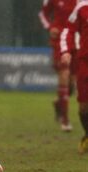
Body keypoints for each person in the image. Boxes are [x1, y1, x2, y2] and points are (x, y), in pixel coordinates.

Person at [38, 0, 78, 131]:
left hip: (77, 41)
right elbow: (43, 14)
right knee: (64, 75)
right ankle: (65, 120)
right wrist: (50, 27)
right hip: (59, 40)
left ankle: (58, 103)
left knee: (72, 85)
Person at [60, 0, 88, 154]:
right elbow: (68, 30)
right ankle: (87, 135)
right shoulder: (82, 7)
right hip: (85, 64)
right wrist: (66, 51)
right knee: (84, 109)